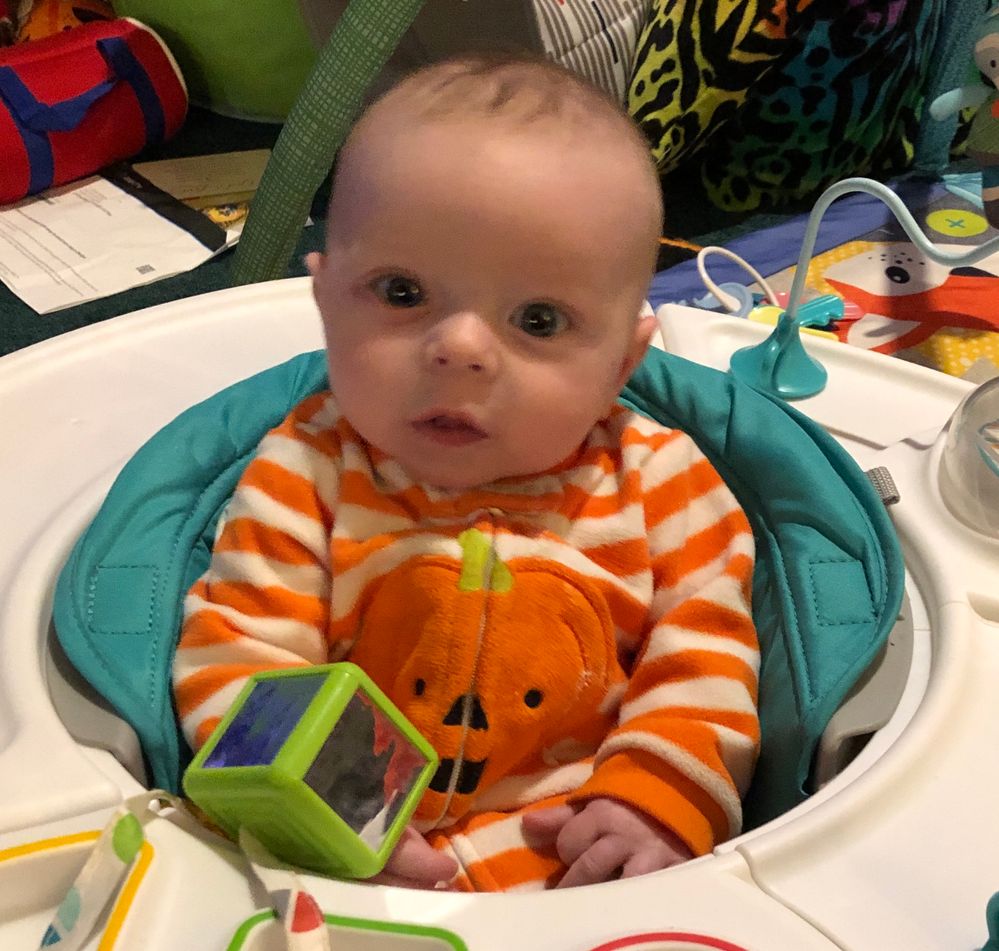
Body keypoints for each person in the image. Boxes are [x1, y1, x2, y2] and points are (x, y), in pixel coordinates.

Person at [173, 53, 760, 893]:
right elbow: (241, 653)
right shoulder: (307, 468)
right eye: (402, 291)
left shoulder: (661, 478)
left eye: (539, 318)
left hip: (571, 857)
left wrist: (656, 798)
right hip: (335, 861)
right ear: (325, 297)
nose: (459, 348)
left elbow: (706, 652)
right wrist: (345, 812)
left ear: (622, 360)